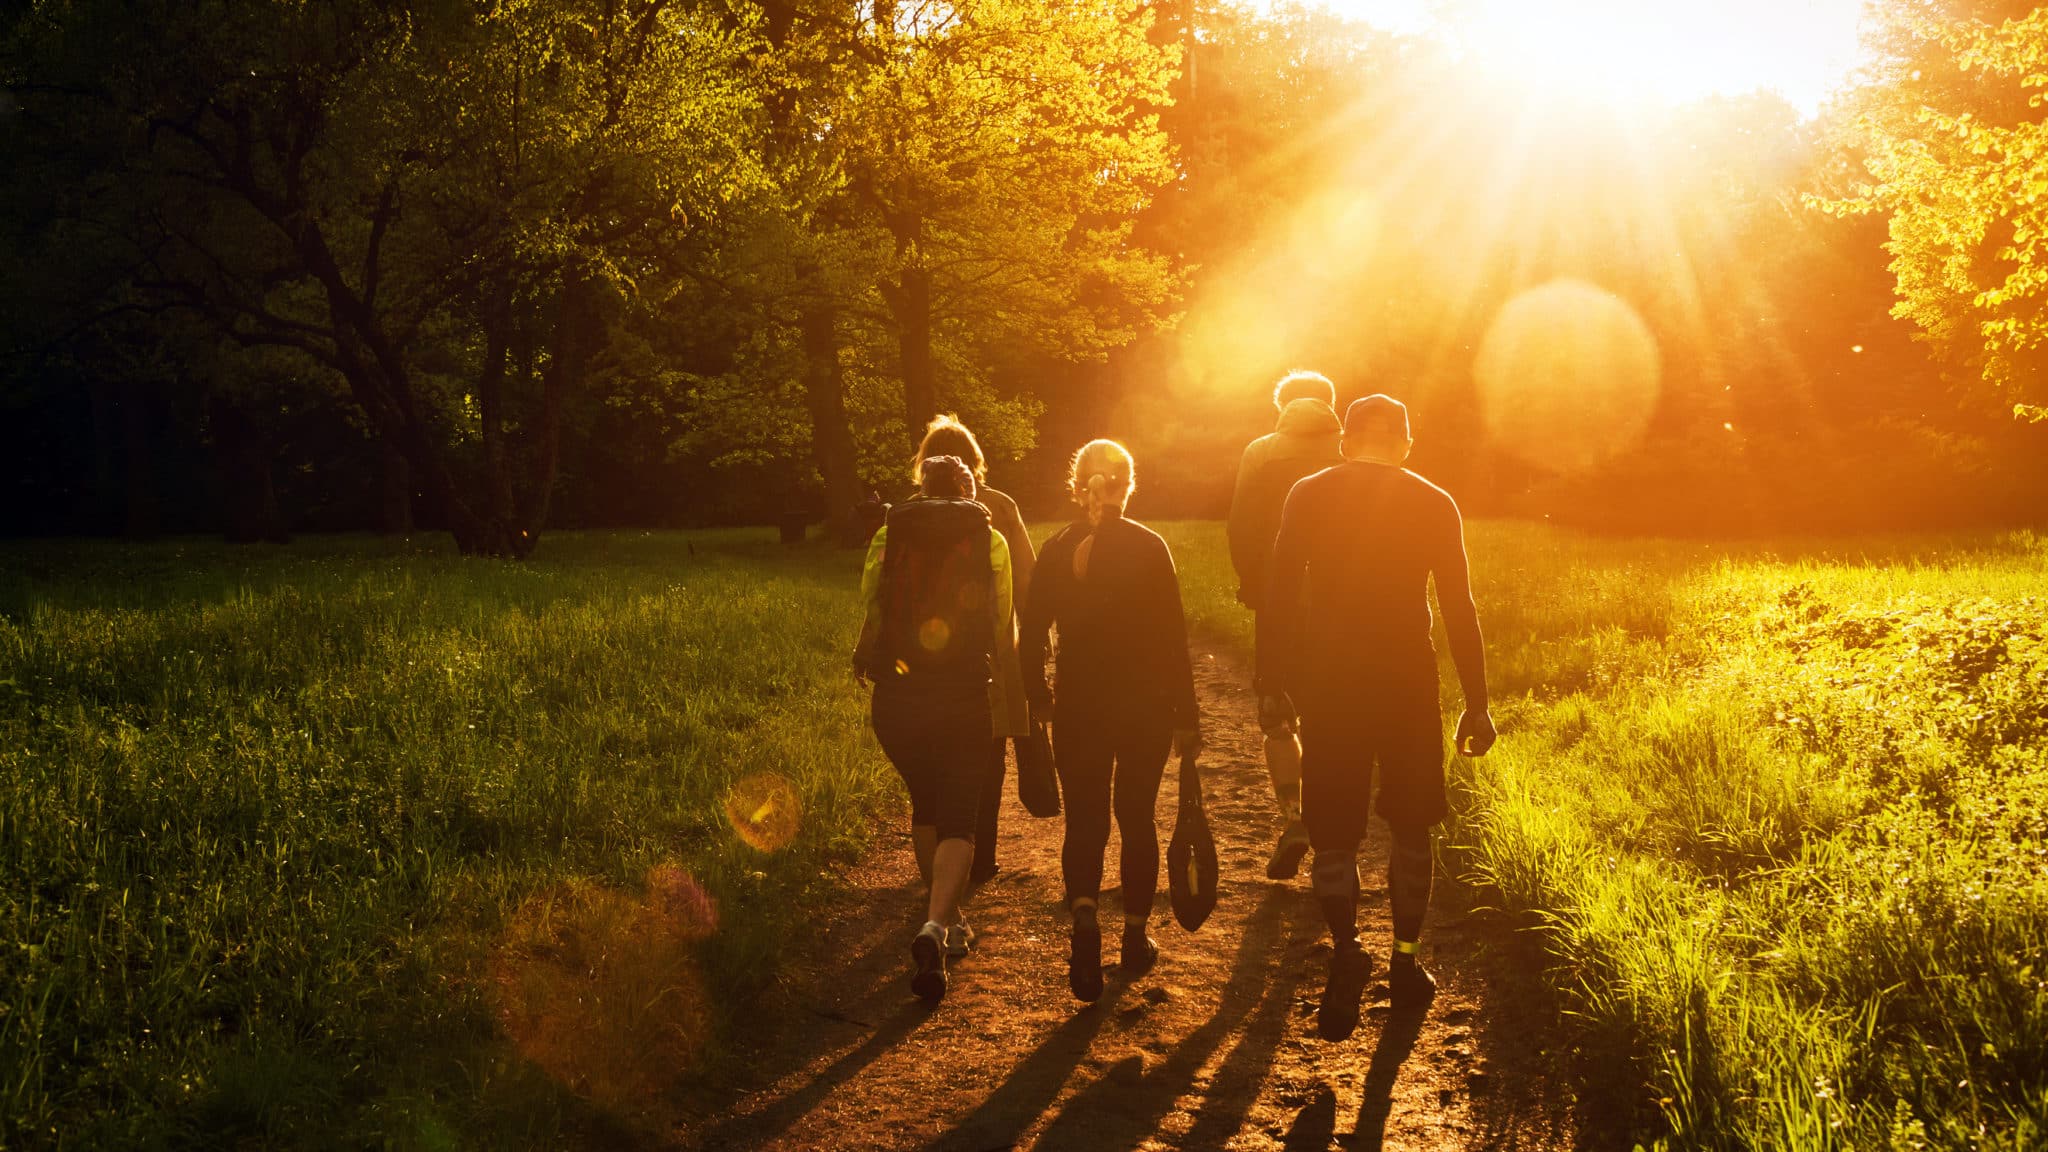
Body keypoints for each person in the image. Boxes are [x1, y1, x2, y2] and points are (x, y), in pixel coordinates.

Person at [1258, 394, 1496, 1040]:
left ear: (1346, 442)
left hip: (1330, 685)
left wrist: (1270, 683)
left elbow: (1279, 593)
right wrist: (1477, 702)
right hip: (1407, 684)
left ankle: (1346, 950)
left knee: (1334, 835)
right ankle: (1407, 962)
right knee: (1413, 828)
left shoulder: (1308, 493)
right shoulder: (1432, 501)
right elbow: (1458, 606)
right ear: (1406, 444)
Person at [1021, 439, 1200, 1003]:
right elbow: (1174, 637)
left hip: (1080, 703)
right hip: (1145, 704)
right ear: (1126, 484)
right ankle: (1135, 936)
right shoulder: (1150, 546)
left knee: (1085, 822)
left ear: (1079, 487)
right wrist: (1186, 715)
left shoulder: (1056, 548)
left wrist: (1038, 698)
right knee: (1137, 817)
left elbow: (1031, 636)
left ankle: (1084, 926)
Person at [853, 455, 1021, 1003]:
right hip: (964, 694)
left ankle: (946, 918)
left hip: (898, 698)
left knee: (925, 803)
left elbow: (870, 602)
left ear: (921, 488)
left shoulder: (889, 532)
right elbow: (1002, 619)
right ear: (970, 488)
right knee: (959, 816)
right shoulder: (989, 538)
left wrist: (870, 652)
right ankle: (936, 925)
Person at [1227, 370, 1343, 881]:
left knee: (1278, 713)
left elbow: (1242, 526)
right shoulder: (1352, 450)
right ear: (1330, 405)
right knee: (1332, 719)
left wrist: (1256, 586)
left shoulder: (1261, 451)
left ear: (1282, 406)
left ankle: (1294, 819)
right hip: (1345, 611)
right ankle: (1332, 830)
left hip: (1280, 605)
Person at [911, 415, 1036, 886]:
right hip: (991, 656)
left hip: (928, 654)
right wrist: (1037, 638)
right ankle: (979, 859)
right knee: (988, 755)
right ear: (974, 460)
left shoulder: (908, 513)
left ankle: (941, 856)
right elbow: (1026, 579)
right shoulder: (999, 507)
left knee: (936, 754)